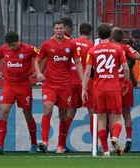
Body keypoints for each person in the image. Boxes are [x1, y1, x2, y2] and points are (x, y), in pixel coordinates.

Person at [34, 20, 83, 154]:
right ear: (54, 29)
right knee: (48, 109)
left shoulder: (71, 44)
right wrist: (38, 73)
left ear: (65, 29)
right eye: (56, 28)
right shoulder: (47, 44)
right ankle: (44, 142)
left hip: (65, 84)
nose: (59, 30)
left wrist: (83, 79)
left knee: (63, 115)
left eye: (61, 28)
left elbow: (78, 63)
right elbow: (37, 60)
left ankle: (61, 145)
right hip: (49, 83)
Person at [81, 23, 129, 158]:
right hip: (113, 88)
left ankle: (106, 151)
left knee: (101, 119)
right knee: (117, 117)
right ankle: (115, 137)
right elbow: (126, 68)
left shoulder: (92, 50)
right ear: (111, 36)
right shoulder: (117, 49)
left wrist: (84, 88)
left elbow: (87, 71)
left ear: (97, 35)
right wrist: (125, 83)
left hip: (98, 88)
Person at [111, 27, 140, 153]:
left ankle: (112, 141)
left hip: (111, 84)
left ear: (112, 37)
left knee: (111, 114)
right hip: (126, 84)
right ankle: (129, 139)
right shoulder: (126, 48)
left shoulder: (107, 48)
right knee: (126, 113)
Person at [0, 31, 39, 154]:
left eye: (13, 45)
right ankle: (0, 146)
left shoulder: (28, 49)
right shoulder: (4, 49)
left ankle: (34, 144)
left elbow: (41, 56)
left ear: (19, 41)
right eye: (10, 45)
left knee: (27, 114)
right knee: (3, 112)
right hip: (9, 85)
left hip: (24, 86)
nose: (11, 48)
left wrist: (39, 72)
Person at [61, 22, 94, 152]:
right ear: (90, 33)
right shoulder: (91, 46)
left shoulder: (71, 43)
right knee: (92, 112)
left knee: (70, 113)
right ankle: (94, 146)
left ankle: (61, 144)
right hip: (85, 81)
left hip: (71, 81)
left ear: (79, 31)